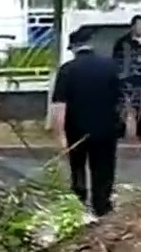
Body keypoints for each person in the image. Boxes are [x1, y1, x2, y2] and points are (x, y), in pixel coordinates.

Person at [50, 26, 122, 218]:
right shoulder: (110, 67)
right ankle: (103, 208)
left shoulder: (67, 70)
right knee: (104, 170)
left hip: (77, 131)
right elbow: (121, 100)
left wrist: (60, 137)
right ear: (91, 45)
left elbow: (59, 107)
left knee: (78, 169)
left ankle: (80, 209)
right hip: (106, 130)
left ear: (74, 48)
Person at [113, 14, 141, 141]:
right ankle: (119, 132)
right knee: (122, 107)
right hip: (126, 78)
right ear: (132, 27)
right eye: (138, 25)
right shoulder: (122, 42)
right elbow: (116, 60)